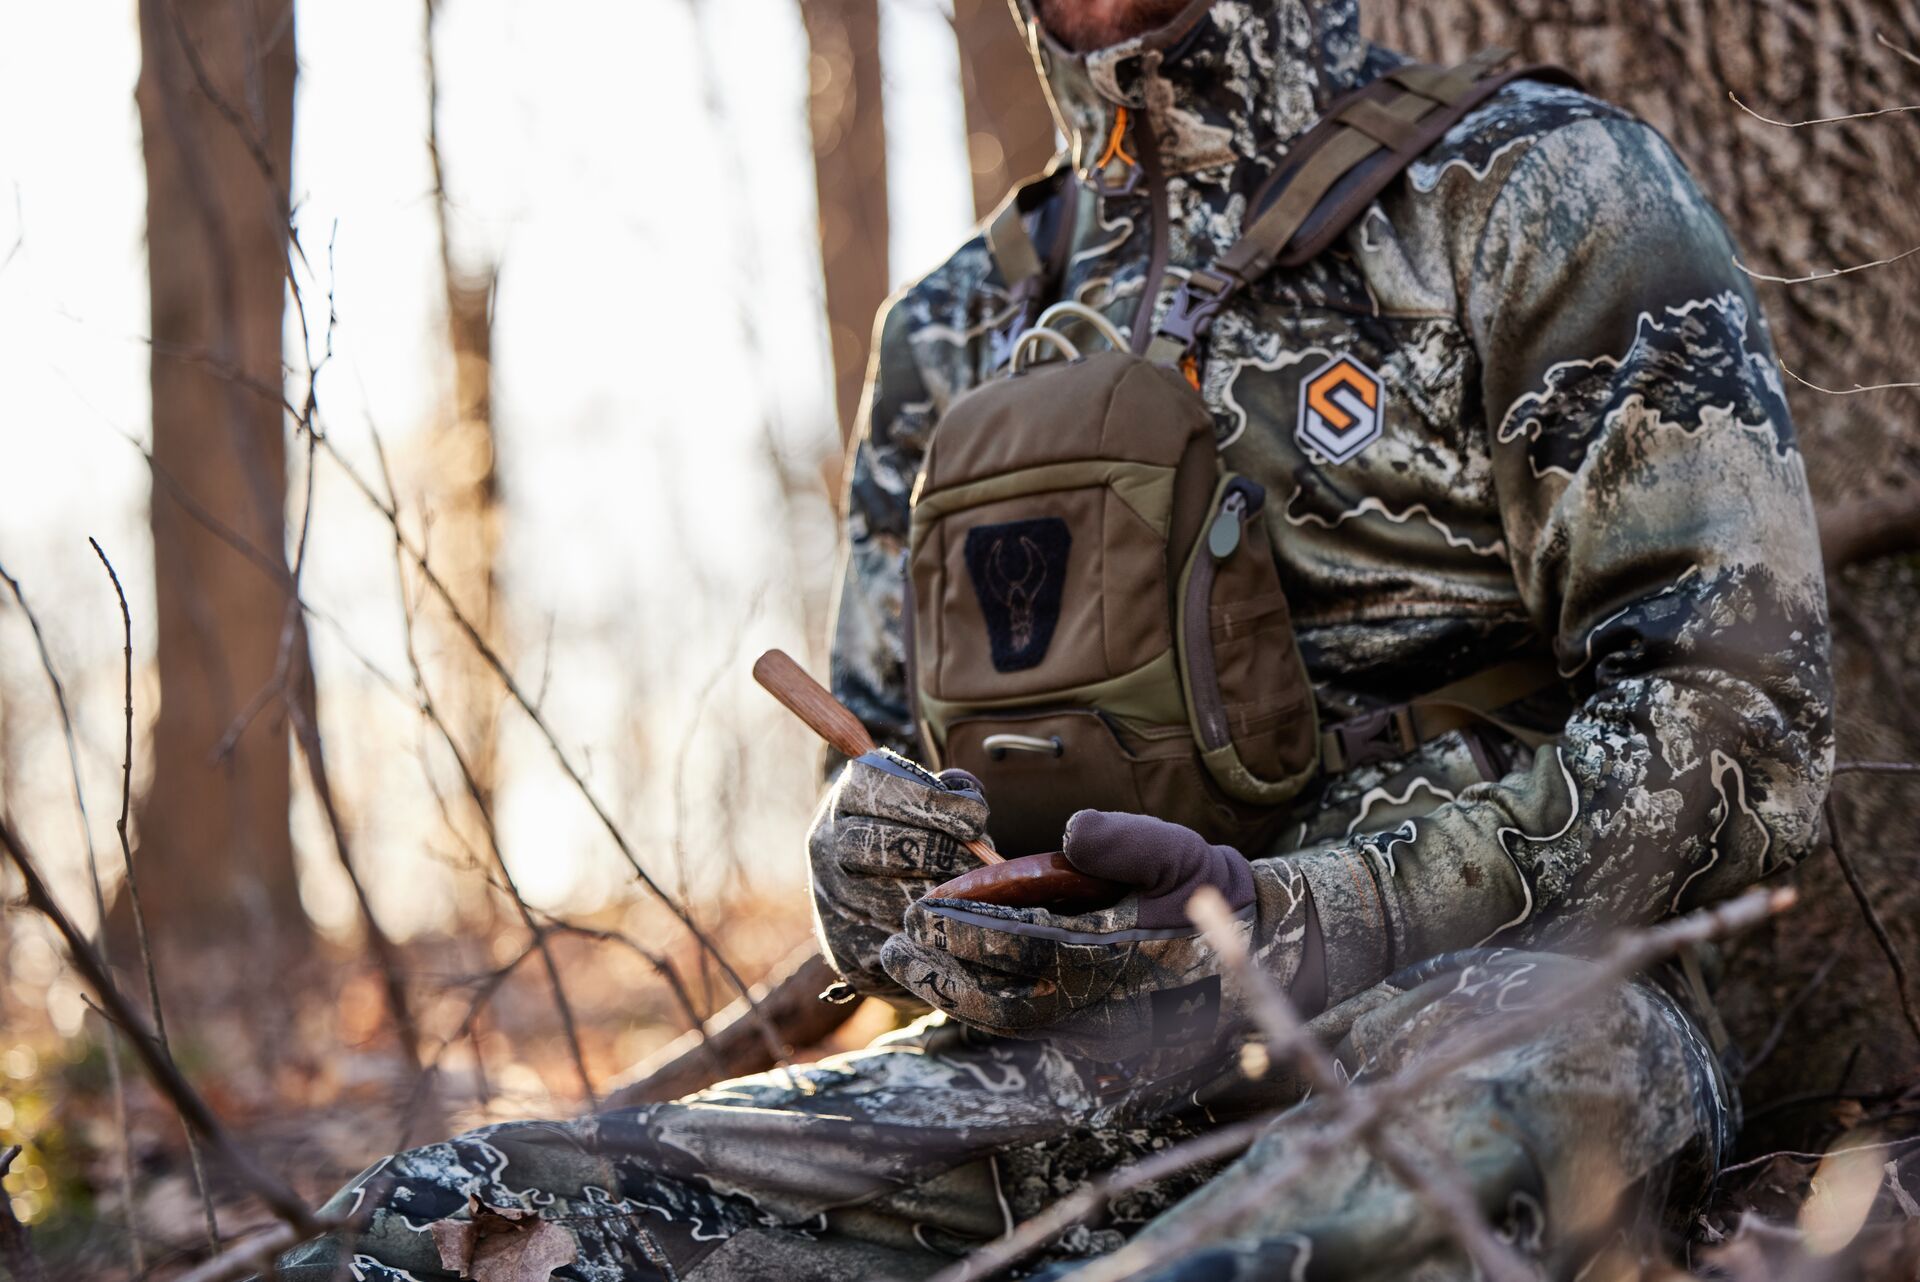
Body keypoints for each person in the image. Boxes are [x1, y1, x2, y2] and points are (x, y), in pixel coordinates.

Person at [269, 0, 1832, 1277]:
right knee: (430, 1220)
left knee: (1345, 1210)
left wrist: (1302, 910)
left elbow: (1741, 723)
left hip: (1495, 1011)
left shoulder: (1531, 191)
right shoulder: (957, 325)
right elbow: (886, 776)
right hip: (1061, 1072)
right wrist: (876, 869)